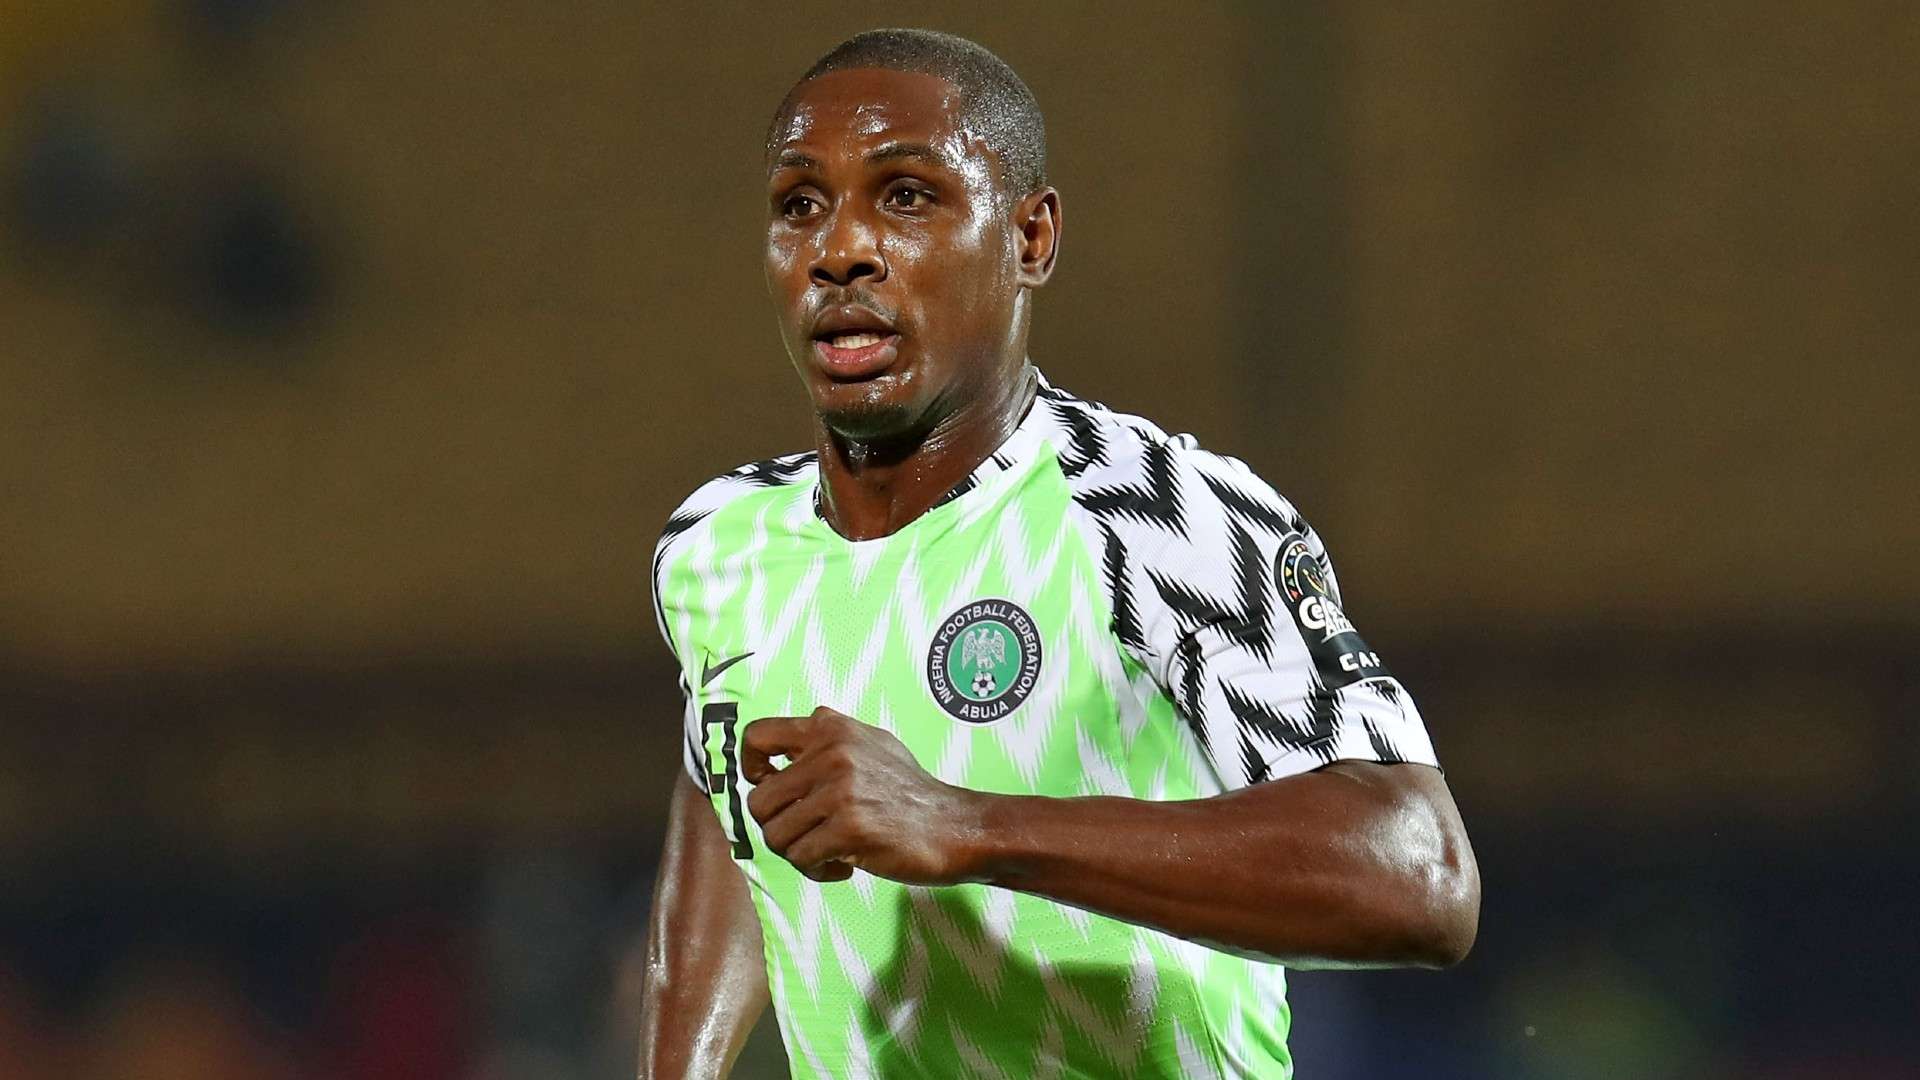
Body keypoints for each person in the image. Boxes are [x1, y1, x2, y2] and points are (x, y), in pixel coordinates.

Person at [638, 28, 1479, 1079]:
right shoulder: (717, 547)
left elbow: (1421, 877)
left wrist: (971, 824)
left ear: (1031, 238)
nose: (838, 248)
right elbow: (729, 795)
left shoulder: (1157, 514)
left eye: (905, 196)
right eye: (800, 204)